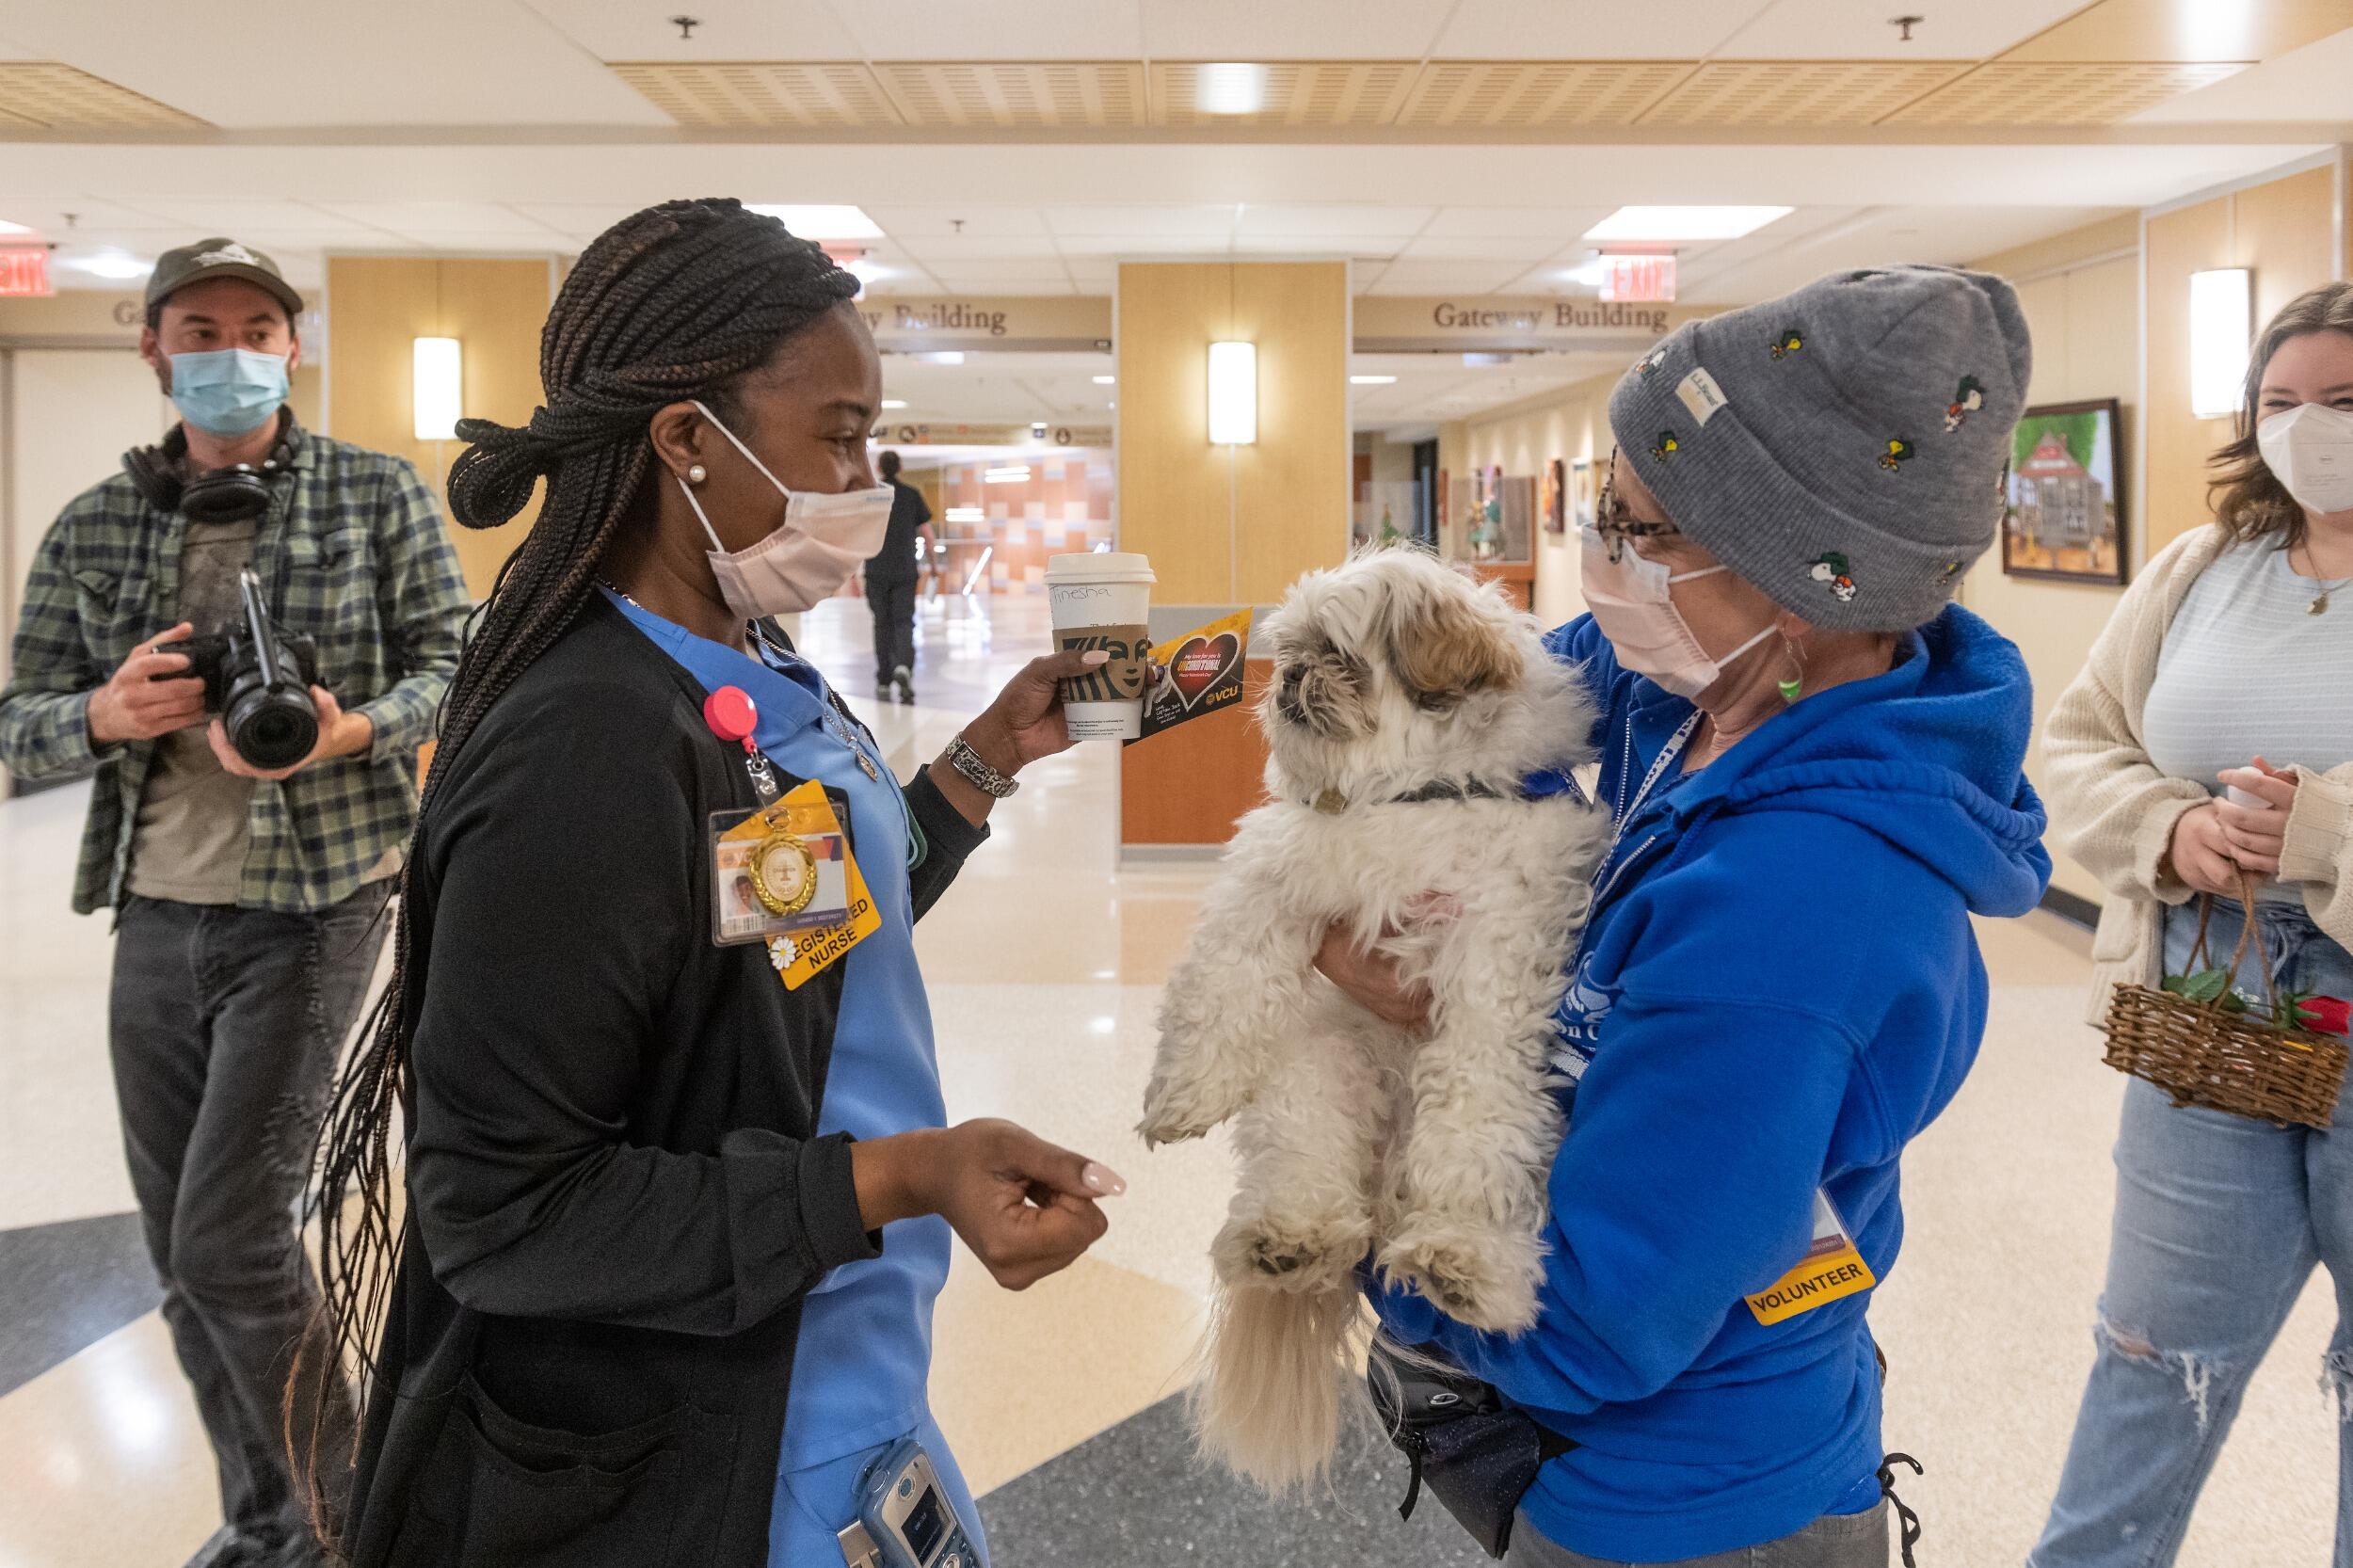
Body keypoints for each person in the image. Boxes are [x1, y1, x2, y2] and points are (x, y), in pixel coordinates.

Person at [312, 200, 1122, 1568]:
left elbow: (783, 947)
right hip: (693, 1442)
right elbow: (505, 1214)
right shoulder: (585, 749)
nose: (867, 475)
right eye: (843, 434)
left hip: (828, 1358)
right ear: (688, 440)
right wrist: (899, 1174)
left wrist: (978, 766)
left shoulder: (736, 675)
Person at [1319, 265, 2051, 1566]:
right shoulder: (1699, 692)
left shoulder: (1794, 904)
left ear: (1801, 587)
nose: (1605, 559)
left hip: (1683, 1498)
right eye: (1607, 510)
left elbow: (1594, 1322)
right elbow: (1502, 710)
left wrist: (1339, 1222)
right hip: (1666, 1424)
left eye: (1643, 530)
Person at [0, 236, 469, 1568]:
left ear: (293, 345)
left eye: (257, 325)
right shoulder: (98, 520)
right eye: (197, 327)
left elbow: (451, 658)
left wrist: (353, 729)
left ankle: (367, 1522)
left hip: (318, 903)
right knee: (181, 1259)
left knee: (232, 1239)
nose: (229, 349)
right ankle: (267, 1522)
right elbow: (17, 718)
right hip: (155, 909)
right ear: (152, 348)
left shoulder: (374, 494)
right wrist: (98, 711)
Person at [2031, 281, 2353, 1568]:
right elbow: (2080, 742)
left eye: (2342, 400)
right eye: (2281, 403)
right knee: (2151, 1354)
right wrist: (2169, 830)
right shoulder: (2202, 566)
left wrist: (2322, 838)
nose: (2309, 427)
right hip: (2214, 987)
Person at [865, 448, 933, 704]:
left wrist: (852, 571)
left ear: (880, 468)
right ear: (900, 468)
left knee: (882, 624)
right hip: (905, 570)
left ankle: (883, 680)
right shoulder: (911, 495)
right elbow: (926, 533)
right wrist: (934, 565)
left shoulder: (872, 497)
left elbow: (858, 534)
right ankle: (904, 666)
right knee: (904, 621)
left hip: (876, 570)